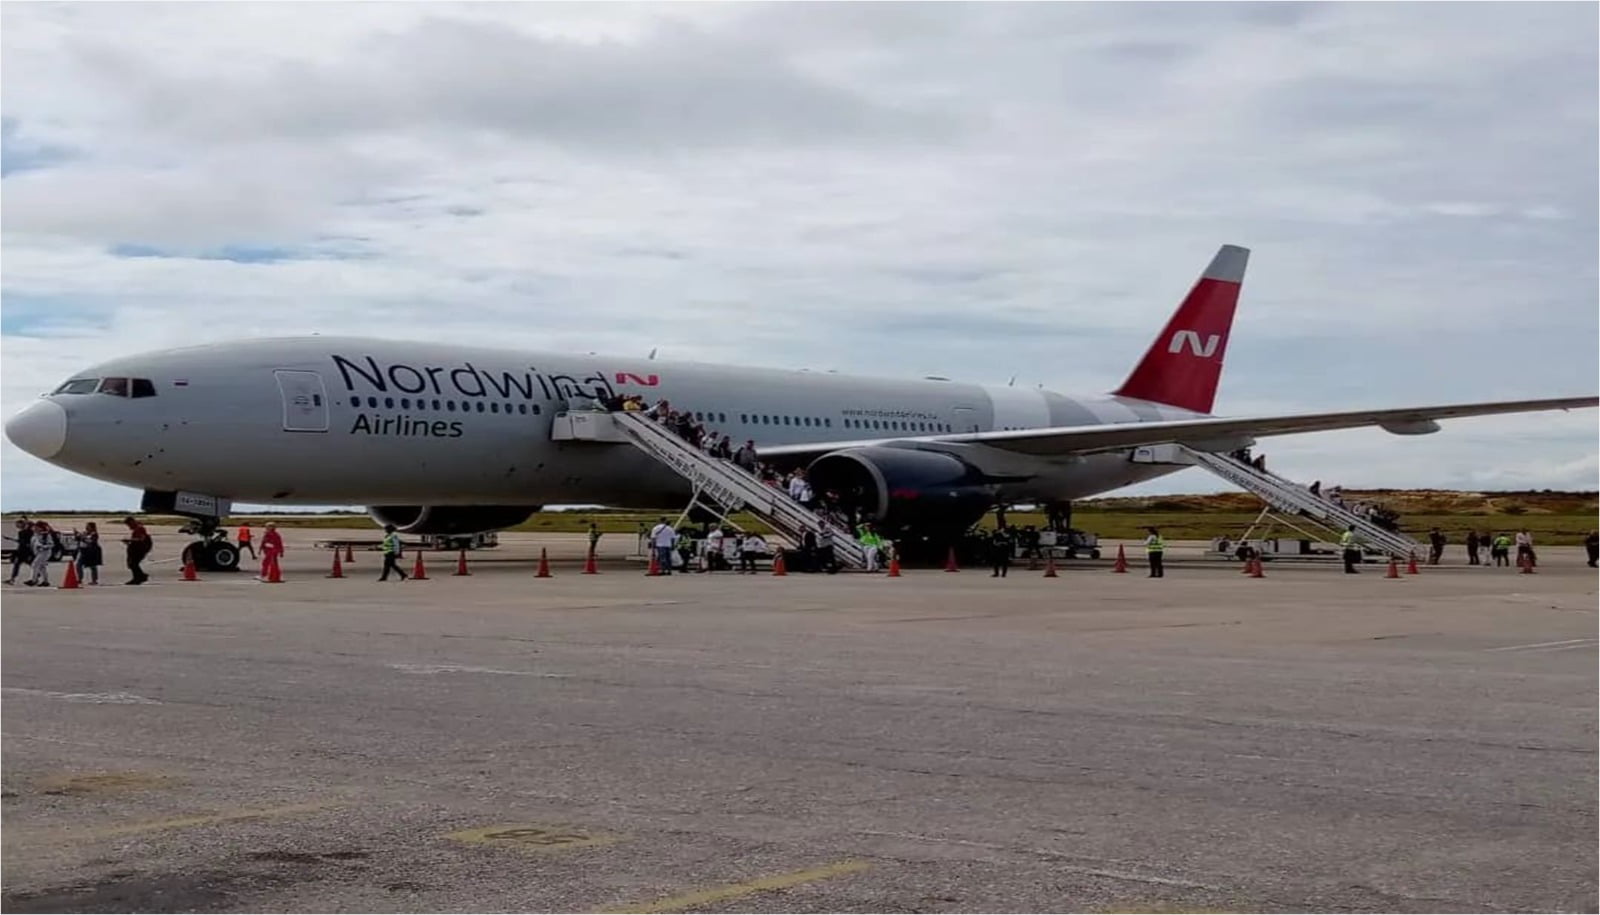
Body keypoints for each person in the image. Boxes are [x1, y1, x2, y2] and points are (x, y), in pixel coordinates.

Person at [121, 515, 152, 585]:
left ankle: (138, 577)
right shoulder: (137, 528)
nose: (129, 527)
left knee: (133, 564)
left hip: (139, 549)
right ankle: (140, 576)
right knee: (133, 564)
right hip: (137, 548)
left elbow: (141, 539)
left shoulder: (139, 529)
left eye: (129, 525)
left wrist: (129, 540)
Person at [26, 520, 54, 586]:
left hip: (44, 552)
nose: (35, 528)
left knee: (35, 565)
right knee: (42, 567)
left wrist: (43, 546)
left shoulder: (45, 535)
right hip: (38, 553)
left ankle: (33, 580)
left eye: (37, 527)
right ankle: (45, 581)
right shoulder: (35, 535)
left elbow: (51, 544)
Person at [7, 518, 34, 585]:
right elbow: (21, 541)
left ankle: (37, 576)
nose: (17, 526)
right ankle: (12, 579)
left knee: (32, 564)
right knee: (17, 564)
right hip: (21, 551)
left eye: (18, 524)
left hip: (27, 551)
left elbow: (29, 542)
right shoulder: (21, 532)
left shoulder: (30, 532)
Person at [76, 521, 103, 585]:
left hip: (91, 551)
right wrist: (77, 535)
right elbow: (79, 539)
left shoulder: (94, 534)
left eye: (88, 526)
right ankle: (80, 579)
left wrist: (82, 538)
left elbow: (91, 541)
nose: (86, 527)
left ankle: (94, 580)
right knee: (78, 565)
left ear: (92, 527)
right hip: (83, 551)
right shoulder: (84, 533)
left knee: (93, 566)